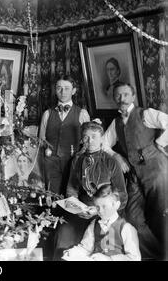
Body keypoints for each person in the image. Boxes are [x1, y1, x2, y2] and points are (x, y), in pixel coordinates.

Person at [102, 82, 168, 260]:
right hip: (134, 174)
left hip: (157, 170)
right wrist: (117, 156)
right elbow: (103, 144)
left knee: (161, 216)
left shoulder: (145, 114)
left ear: (133, 96)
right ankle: (157, 254)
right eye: (118, 95)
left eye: (125, 94)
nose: (122, 99)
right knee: (132, 217)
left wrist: (159, 144)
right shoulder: (116, 123)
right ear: (114, 98)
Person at [54, 120, 127, 258]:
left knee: (106, 247)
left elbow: (122, 195)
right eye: (86, 137)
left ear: (101, 139)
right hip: (82, 209)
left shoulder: (111, 161)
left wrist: (99, 210)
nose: (90, 140)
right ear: (82, 139)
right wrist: (77, 208)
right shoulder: (77, 160)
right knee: (64, 233)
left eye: (94, 136)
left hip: (106, 212)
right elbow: (71, 189)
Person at [39, 75, 90, 194]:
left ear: (74, 91)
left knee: (71, 197)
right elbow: (41, 140)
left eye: (67, 88)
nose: (62, 92)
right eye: (59, 88)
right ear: (55, 90)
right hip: (51, 163)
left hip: (73, 162)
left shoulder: (82, 113)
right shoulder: (47, 114)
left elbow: (87, 142)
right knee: (52, 196)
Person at [62, 184, 141, 261]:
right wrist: (73, 253)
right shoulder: (94, 224)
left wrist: (109, 259)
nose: (100, 211)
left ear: (116, 205)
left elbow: (134, 258)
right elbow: (85, 248)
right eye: (97, 207)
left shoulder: (126, 228)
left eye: (104, 206)